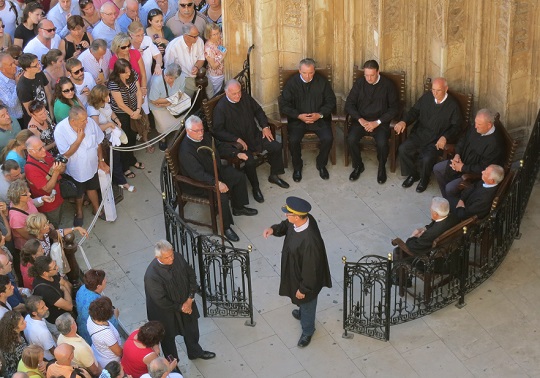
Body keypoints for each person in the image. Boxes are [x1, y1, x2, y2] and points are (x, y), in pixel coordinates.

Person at [262, 196, 332, 348]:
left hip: (306, 280)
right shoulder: (301, 220)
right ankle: (302, 313)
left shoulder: (310, 242)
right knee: (302, 303)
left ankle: (307, 330)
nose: (286, 216)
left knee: (307, 303)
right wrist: (273, 229)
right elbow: (286, 225)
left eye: (289, 214)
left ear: (297, 217)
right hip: (296, 272)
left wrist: (303, 289)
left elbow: (311, 270)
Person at [179, 115, 257, 242]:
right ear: (188, 131)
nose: (201, 133)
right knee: (222, 196)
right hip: (200, 183)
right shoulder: (186, 151)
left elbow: (219, 146)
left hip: (215, 171)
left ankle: (239, 207)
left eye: (202, 130)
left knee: (238, 176)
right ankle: (225, 227)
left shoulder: (205, 137)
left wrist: (236, 153)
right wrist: (217, 183)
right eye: (197, 131)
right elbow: (197, 174)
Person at [213, 79, 289, 203]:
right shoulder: (221, 108)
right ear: (226, 93)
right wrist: (235, 139)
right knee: (249, 161)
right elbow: (218, 130)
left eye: (239, 92)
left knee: (275, 146)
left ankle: (274, 175)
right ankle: (255, 187)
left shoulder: (245, 97)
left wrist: (264, 126)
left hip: (254, 135)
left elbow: (258, 110)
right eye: (234, 94)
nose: (238, 96)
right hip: (239, 144)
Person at [144, 239, 216, 362]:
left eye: (172, 254)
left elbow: (191, 275)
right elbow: (160, 300)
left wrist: (189, 299)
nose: (172, 259)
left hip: (186, 302)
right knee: (168, 340)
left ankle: (195, 352)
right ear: (158, 257)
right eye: (167, 257)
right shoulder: (152, 275)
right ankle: (173, 365)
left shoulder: (177, 257)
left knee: (192, 329)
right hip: (165, 313)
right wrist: (181, 307)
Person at [394, 77, 462, 193]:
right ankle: (413, 174)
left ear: (446, 89)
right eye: (433, 90)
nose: (434, 93)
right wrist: (404, 121)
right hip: (421, 133)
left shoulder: (453, 106)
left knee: (427, 158)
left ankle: (424, 180)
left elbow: (457, 126)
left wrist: (445, 137)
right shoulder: (427, 97)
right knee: (403, 149)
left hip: (436, 139)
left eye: (438, 90)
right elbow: (414, 111)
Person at [278, 58, 337, 182]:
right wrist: (298, 115)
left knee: (328, 138)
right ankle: (297, 167)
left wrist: (320, 114)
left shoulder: (322, 82)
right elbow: (284, 104)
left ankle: (321, 164)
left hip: (319, 119)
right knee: (293, 140)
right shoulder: (292, 83)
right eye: (304, 73)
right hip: (298, 120)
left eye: (310, 72)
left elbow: (331, 101)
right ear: (300, 71)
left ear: (314, 71)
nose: (308, 76)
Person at [344, 59, 399, 184]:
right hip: (361, 121)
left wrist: (377, 122)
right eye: (366, 75)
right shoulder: (360, 83)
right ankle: (358, 165)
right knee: (351, 139)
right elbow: (349, 104)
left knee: (382, 143)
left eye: (372, 75)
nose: (368, 78)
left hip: (380, 123)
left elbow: (394, 108)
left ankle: (381, 167)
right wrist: (360, 119)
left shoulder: (387, 85)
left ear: (378, 72)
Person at [54, 106, 110, 226]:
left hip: (92, 165)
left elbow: (98, 142)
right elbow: (65, 154)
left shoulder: (89, 123)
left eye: (86, 118)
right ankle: (79, 212)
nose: (87, 122)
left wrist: (101, 160)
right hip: (76, 169)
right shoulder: (60, 130)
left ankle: (97, 209)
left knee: (92, 187)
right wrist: (79, 140)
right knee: (78, 193)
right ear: (73, 121)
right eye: (83, 120)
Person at [433, 109, 505, 198]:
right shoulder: (476, 127)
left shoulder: (495, 144)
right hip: (460, 160)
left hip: (471, 173)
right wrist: (457, 154)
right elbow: (463, 139)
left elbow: (483, 167)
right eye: (475, 123)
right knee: (437, 169)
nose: (475, 127)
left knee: (449, 188)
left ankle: (452, 203)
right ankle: (447, 199)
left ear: (489, 125)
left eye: (479, 125)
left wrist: (462, 167)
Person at [87, 84, 136, 192]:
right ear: (100, 97)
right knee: (114, 159)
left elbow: (110, 112)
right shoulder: (93, 111)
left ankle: (122, 173)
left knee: (119, 155)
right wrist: (110, 125)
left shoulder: (104, 104)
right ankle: (122, 182)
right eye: (106, 95)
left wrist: (116, 119)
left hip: (113, 133)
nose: (108, 97)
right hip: (105, 139)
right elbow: (97, 128)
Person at [108, 58, 147, 177]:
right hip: (122, 114)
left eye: (129, 71)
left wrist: (138, 109)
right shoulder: (113, 83)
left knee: (133, 136)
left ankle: (131, 159)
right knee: (124, 140)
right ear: (118, 72)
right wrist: (133, 114)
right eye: (125, 72)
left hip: (135, 109)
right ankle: (125, 166)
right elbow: (120, 104)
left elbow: (138, 92)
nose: (128, 73)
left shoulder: (133, 74)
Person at [25, 136, 67, 226]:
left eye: (43, 146)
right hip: (50, 204)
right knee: (53, 225)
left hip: (59, 195)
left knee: (59, 217)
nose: (44, 150)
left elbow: (61, 170)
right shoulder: (30, 169)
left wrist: (62, 165)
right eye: (40, 149)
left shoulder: (43, 153)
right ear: (31, 151)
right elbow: (47, 189)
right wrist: (56, 172)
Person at [164, 23, 213, 99]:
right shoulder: (173, 47)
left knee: (210, 88)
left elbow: (201, 58)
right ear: (186, 36)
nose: (197, 38)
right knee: (186, 100)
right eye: (194, 36)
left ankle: (212, 107)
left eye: (198, 35)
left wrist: (196, 66)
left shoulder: (199, 41)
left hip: (199, 74)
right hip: (183, 78)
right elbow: (168, 69)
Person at [29, 255, 73, 337]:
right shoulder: (45, 290)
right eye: (54, 267)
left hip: (64, 314)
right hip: (59, 323)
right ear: (45, 273)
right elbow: (69, 306)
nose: (57, 267)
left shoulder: (52, 275)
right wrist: (64, 289)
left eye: (55, 264)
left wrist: (65, 288)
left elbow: (67, 284)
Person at [75, 269, 120, 345]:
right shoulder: (99, 303)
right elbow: (112, 325)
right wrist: (116, 315)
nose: (105, 280)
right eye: (104, 280)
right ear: (98, 286)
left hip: (82, 328)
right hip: (93, 337)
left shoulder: (82, 288)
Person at [148, 62, 185, 150]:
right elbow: (154, 100)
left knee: (178, 121)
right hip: (158, 107)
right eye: (168, 77)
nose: (170, 80)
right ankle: (162, 139)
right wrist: (168, 102)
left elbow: (181, 92)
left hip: (173, 103)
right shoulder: (157, 81)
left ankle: (177, 136)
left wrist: (169, 102)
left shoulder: (182, 77)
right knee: (162, 126)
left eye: (173, 78)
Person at [56, 313, 101, 377]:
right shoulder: (81, 349)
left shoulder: (61, 337)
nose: (75, 321)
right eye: (74, 321)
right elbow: (95, 371)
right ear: (72, 326)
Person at [16, 52, 53, 125]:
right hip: (37, 121)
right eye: (35, 65)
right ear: (27, 68)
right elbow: (31, 112)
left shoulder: (39, 73)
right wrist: (46, 121)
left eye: (38, 62)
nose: (39, 66)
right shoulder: (22, 87)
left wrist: (51, 115)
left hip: (47, 113)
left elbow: (48, 94)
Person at [87, 296, 123, 368]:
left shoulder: (91, 318)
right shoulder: (106, 333)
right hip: (110, 362)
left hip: (98, 353)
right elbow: (119, 352)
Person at [23, 295, 56, 361]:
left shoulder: (27, 318)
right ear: (34, 313)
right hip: (49, 359)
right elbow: (53, 351)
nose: (46, 308)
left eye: (45, 305)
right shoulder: (42, 332)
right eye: (42, 308)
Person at [0, 310, 28, 377]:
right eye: (22, 323)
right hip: (18, 372)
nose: (25, 322)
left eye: (23, 320)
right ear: (14, 328)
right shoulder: (14, 345)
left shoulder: (11, 336)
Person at [0, 52, 24, 123]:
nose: (14, 66)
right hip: (17, 120)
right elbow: (11, 103)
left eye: (14, 62)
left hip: (29, 112)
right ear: (2, 69)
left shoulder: (19, 70)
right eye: (10, 65)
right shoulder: (1, 84)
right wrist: (17, 84)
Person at [203, 22, 225, 95]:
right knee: (215, 93)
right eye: (214, 34)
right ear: (208, 35)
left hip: (223, 72)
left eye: (218, 33)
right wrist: (223, 56)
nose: (217, 36)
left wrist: (223, 51)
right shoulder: (208, 48)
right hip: (215, 76)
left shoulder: (218, 40)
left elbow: (221, 49)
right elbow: (214, 66)